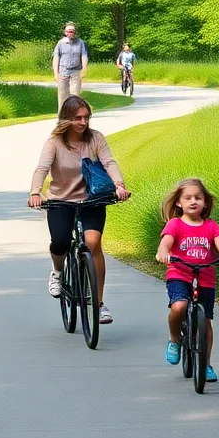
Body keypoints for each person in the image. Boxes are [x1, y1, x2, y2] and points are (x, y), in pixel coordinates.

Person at [27, 95, 131, 324]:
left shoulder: (95, 139)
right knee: (61, 242)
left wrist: (119, 185)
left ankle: (99, 303)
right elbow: (42, 168)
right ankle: (57, 272)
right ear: (66, 119)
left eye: (86, 117)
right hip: (61, 200)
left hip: (91, 200)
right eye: (77, 118)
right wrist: (36, 192)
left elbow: (109, 163)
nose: (83, 123)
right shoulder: (53, 143)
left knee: (93, 244)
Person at [155, 178, 219, 382]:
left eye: (198, 197)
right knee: (179, 305)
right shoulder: (175, 224)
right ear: (179, 202)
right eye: (188, 198)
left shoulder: (211, 226)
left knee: (205, 322)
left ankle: (205, 364)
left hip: (205, 276)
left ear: (205, 202)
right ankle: (175, 340)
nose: (193, 201)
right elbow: (165, 243)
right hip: (180, 273)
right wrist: (163, 253)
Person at [52, 23, 88, 108]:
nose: (70, 33)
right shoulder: (60, 43)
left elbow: (84, 56)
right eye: (68, 31)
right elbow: (56, 58)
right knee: (62, 94)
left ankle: (73, 114)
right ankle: (62, 115)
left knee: (75, 95)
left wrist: (84, 69)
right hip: (63, 71)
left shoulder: (80, 42)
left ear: (75, 32)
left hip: (76, 71)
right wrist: (56, 73)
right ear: (65, 32)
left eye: (72, 31)